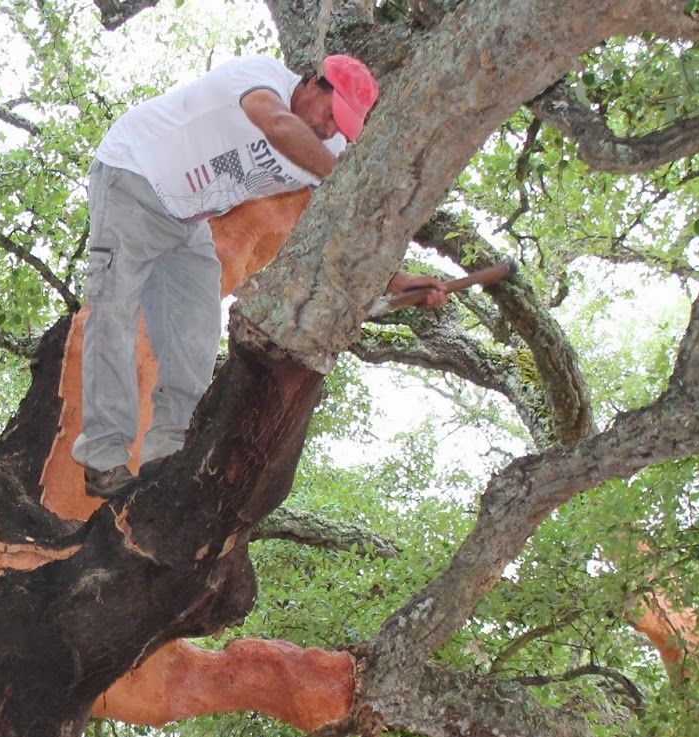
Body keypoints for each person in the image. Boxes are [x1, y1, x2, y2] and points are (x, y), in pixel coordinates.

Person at [73, 54, 448, 499]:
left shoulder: (327, 151)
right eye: (331, 115)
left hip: (187, 219)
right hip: (133, 176)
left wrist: (394, 277)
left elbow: (339, 221)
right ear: (313, 83)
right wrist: (338, 179)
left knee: (195, 332)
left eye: (341, 128)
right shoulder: (259, 78)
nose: (330, 132)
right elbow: (276, 126)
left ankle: (167, 456)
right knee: (113, 310)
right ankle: (102, 456)